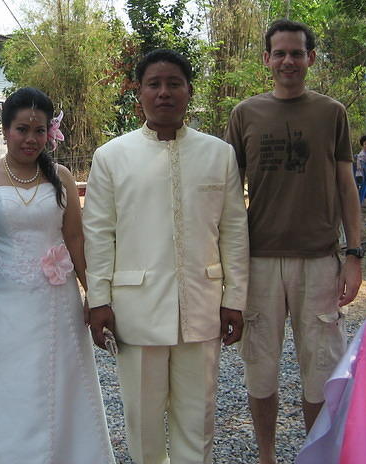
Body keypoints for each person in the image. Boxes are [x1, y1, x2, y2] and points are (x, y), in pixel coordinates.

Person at [84, 48, 249, 464]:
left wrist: (235, 299)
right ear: (137, 92)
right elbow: (99, 233)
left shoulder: (219, 154)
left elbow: (233, 231)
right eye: (153, 84)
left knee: (198, 419)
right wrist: (98, 300)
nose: (163, 92)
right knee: (142, 421)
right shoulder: (111, 156)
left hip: (203, 307)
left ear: (189, 91)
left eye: (173, 83)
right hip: (136, 310)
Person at [225, 19, 362, 464]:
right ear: (266, 59)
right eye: (279, 53)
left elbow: (346, 186)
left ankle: (313, 455)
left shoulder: (331, 113)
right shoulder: (245, 114)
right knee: (259, 371)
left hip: (319, 260)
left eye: (296, 53)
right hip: (259, 260)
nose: (288, 61)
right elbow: (229, 192)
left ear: (311, 59)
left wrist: (354, 254)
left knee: (320, 372)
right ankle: (266, 456)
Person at [0, 87, 114, 463]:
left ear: (50, 133)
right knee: (6, 384)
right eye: (22, 129)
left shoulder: (60, 177)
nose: (30, 139)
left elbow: (75, 239)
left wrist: (94, 295)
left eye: (39, 131)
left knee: (57, 383)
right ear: (6, 129)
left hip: (55, 302)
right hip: (1, 301)